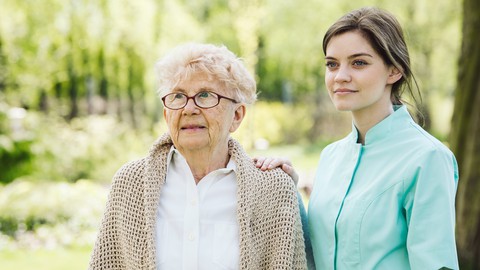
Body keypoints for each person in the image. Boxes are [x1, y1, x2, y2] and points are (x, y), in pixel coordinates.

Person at [256, 7, 459, 269]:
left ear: (394, 71)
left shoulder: (428, 158)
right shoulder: (330, 156)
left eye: (359, 63)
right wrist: (287, 188)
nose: (340, 76)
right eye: (332, 64)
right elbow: (319, 249)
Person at [89, 43, 308, 269]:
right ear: (166, 115)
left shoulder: (272, 189)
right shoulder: (130, 183)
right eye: (178, 96)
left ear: (237, 115)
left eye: (205, 95)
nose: (189, 109)